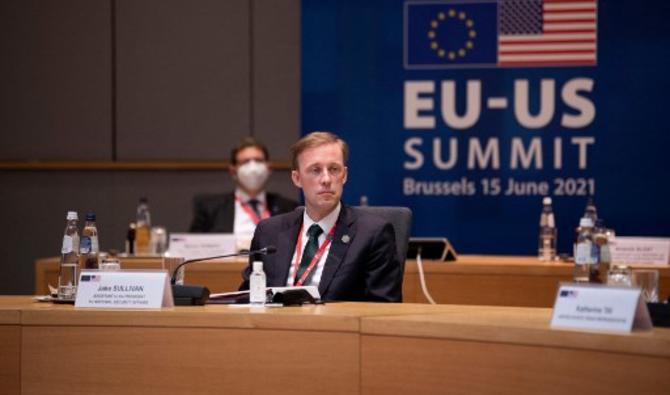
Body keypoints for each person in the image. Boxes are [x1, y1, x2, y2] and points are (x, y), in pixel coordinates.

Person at [240, 131, 402, 302]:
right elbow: (247, 298)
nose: (326, 179)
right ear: (297, 178)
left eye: (334, 169)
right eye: (315, 170)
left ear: (344, 175)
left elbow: (384, 308)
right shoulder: (269, 232)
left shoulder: (372, 234)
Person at [189, 137, 298, 234]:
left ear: (268, 168)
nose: (253, 167)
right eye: (245, 162)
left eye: (258, 160)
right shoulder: (211, 209)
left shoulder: (289, 209)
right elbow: (192, 248)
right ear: (233, 171)